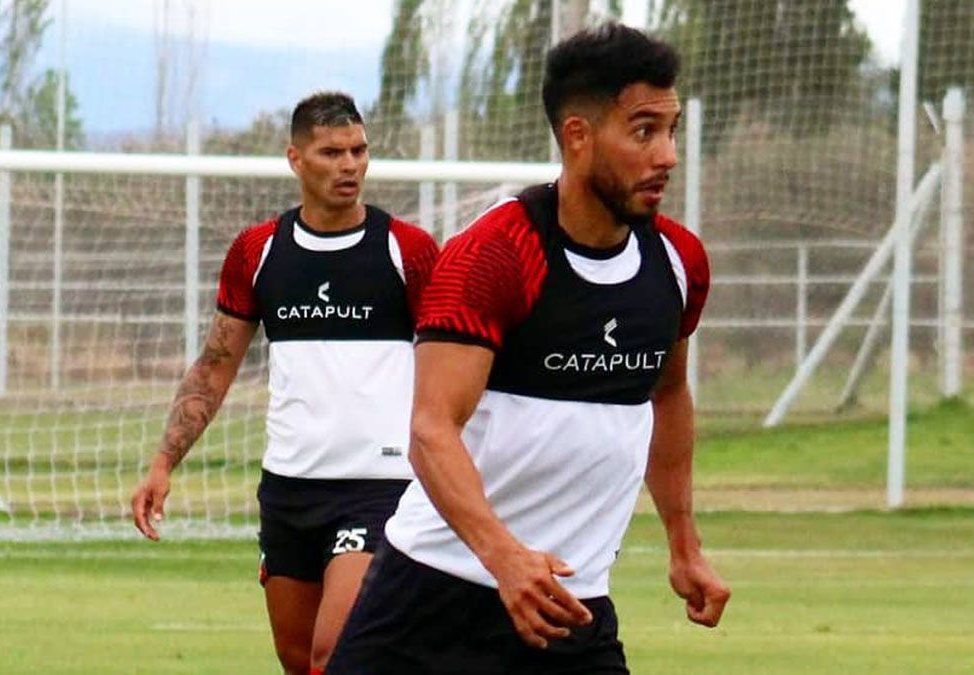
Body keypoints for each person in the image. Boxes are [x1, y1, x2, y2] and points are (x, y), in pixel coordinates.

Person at [327, 24, 730, 674]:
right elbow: (432, 427)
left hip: (572, 604)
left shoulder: (678, 263)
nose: (667, 156)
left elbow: (668, 393)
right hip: (431, 599)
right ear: (578, 136)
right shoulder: (494, 256)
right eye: (644, 130)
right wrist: (504, 556)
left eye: (671, 130)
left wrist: (684, 544)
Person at [130, 91, 438, 675]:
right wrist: (163, 462)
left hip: (380, 487)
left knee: (336, 654)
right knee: (299, 661)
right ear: (296, 159)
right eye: (331, 152)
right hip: (290, 490)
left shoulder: (407, 251)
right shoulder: (259, 251)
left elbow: (456, 366)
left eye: (359, 150)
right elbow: (214, 366)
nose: (349, 165)